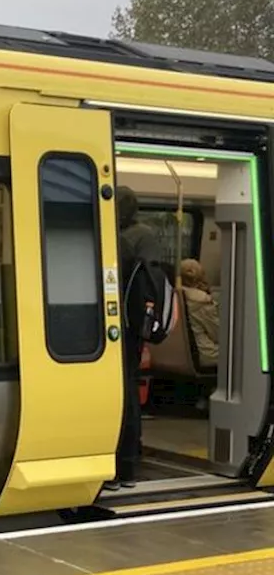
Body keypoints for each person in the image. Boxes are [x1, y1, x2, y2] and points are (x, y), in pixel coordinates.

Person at [110, 186, 164, 490]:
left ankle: (121, 463)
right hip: (131, 325)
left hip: (122, 327)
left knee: (123, 390)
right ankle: (127, 464)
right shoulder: (141, 240)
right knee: (128, 389)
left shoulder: (120, 242)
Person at [179, 259, 220, 370]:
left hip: (182, 354)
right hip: (207, 354)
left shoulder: (176, 295)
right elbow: (218, 334)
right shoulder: (201, 300)